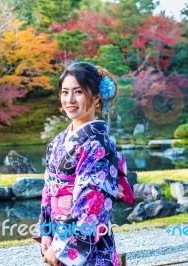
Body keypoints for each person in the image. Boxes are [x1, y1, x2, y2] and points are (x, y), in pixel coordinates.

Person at [38, 62, 134, 266]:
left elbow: (91, 202)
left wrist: (61, 247)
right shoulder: (57, 142)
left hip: (88, 241)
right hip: (57, 235)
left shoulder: (99, 145)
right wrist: (46, 232)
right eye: (65, 92)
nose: (69, 100)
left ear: (97, 95)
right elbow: (48, 191)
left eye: (78, 92)